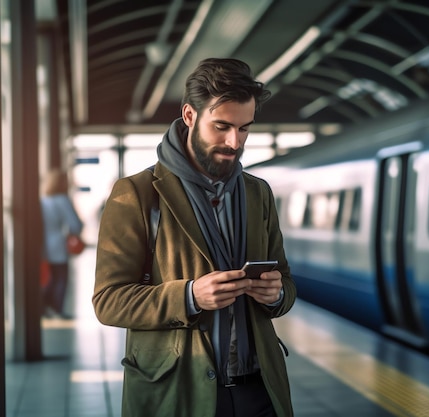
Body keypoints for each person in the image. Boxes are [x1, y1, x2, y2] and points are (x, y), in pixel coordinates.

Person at [93, 58, 296, 417]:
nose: (234, 142)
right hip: (179, 391)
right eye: (222, 127)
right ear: (189, 116)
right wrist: (189, 296)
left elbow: (285, 281)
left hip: (259, 390)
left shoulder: (257, 193)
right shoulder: (136, 195)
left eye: (245, 129)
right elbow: (108, 301)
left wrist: (276, 293)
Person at [40, 168, 84, 319]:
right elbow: (75, 225)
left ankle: (44, 308)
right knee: (60, 278)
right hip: (58, 245)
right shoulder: (62, 200)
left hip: (42, 245)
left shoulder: (42, 200)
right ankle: (57, 309)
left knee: (47, 278)